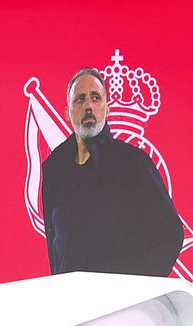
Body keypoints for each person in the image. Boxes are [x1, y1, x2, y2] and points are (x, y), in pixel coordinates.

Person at [42, 68, 183, 276]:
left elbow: (170, 233)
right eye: (80, 99)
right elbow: (54, 240)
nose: (88, 106)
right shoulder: (55, 167)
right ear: (67, 113)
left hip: (121, 294)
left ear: (107, 110)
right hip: (70, 293)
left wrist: (136, 288)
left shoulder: (133, 162)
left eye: (95, 98)